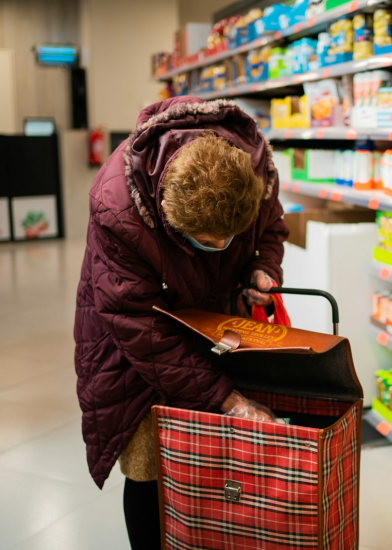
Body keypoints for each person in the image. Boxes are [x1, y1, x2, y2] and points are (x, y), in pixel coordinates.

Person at [74, 97, 288, 549]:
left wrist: (262, 268)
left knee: (218, 461)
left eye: (228, 238)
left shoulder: (256, 172)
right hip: (138, 345)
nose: (221, 245)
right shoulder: (118, 205)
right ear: (167, 214)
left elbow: (270, 228)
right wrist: (223, 397)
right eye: (206, 241)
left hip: (218, 327)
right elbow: (135, 323)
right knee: (150, 462)